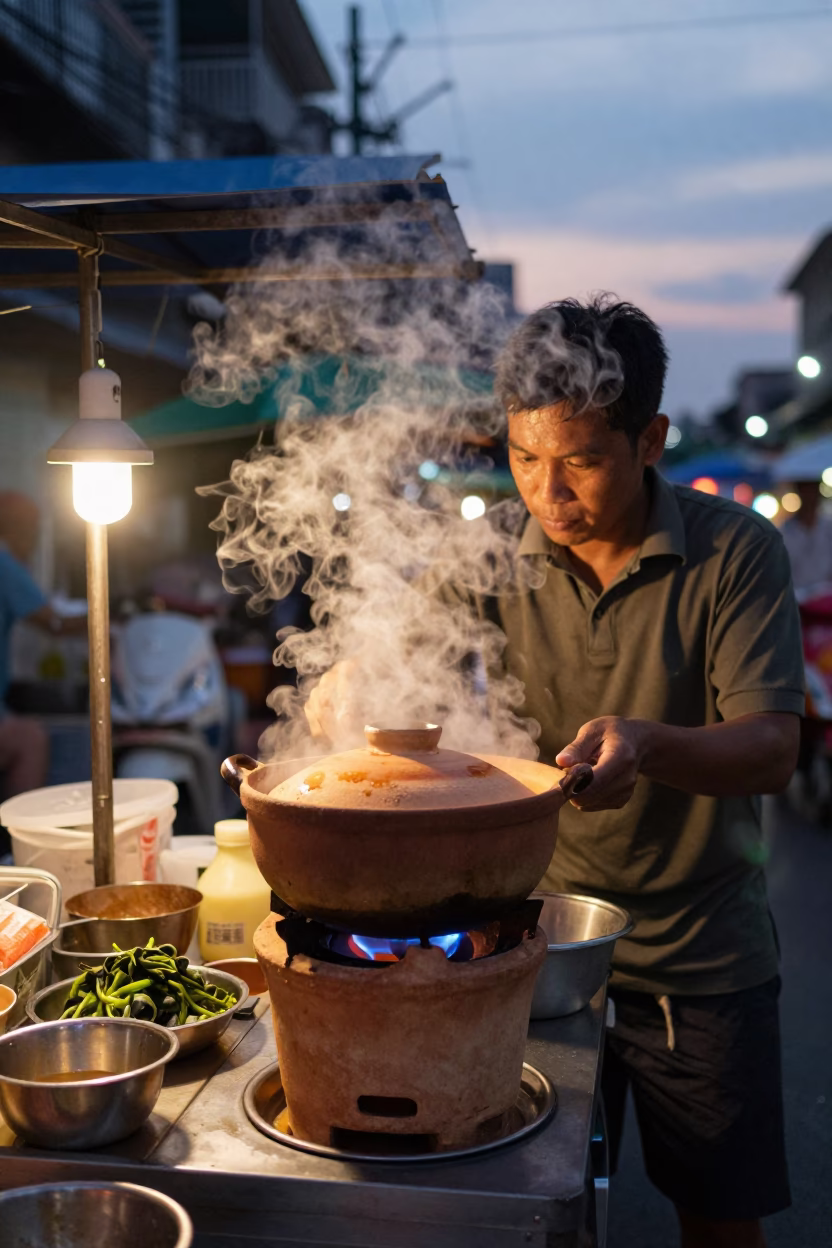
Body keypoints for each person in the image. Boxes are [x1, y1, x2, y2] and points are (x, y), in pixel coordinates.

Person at [306, 297, 804, 1248]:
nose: (548, 492)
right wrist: (356, 678)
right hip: (535, 941)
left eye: (579, 461)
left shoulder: (737, 551)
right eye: (525, 459)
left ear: (650, 438)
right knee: (536, 1207)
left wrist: (650, 742)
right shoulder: (491, 548)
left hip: (698, 955)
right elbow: (406, 661)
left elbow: (772, 748)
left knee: (720, 1216)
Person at [0, 492, 85, 849]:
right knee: (30, 739)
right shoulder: (3, 561)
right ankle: (18, 850)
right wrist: (110, 619)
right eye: (33, 532)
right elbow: (54, 625)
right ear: (22, 530)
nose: (34, 542)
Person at [779, 478, 832, 594]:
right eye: (806, 491)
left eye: (813, 491)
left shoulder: (828, 528)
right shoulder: (785, 531)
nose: (810, 496)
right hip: (797, 600)